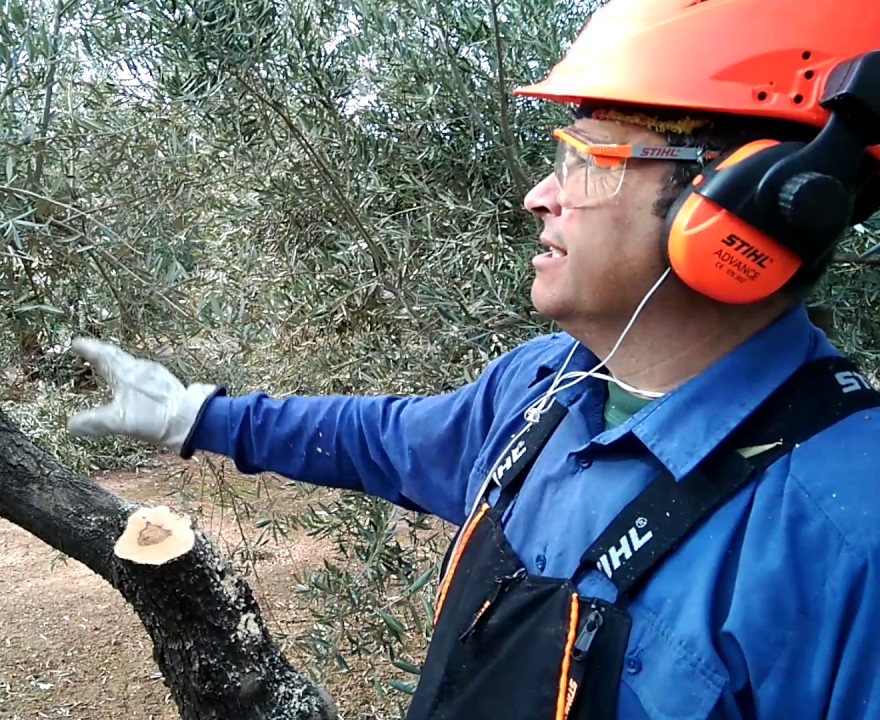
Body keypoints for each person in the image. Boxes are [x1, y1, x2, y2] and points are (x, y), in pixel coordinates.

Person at [65, 2, 880, 718]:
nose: (539, 195)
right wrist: (195, 414)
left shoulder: (847, 531)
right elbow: (382, 439)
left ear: (747, 206)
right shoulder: (547, 389)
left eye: (589, 159)